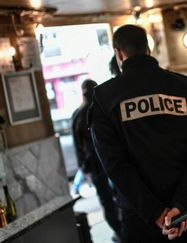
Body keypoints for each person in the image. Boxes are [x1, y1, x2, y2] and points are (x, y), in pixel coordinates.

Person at [89, 25, 187, 242]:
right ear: (148, 49)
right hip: (186, 215)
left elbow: (114, 164)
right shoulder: (186, 89)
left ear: (119, 53)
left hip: (140, 219)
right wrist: (181, 204)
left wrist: (155, 213)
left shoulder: (104, 99)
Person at [72, 79, 123, 242]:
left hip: (95, 165)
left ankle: (120, 232)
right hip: (112, 161)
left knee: (107, 201)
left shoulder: (78, 114)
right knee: (121, 195)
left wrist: (83, 166)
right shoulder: (104, 107)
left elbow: (77, 144)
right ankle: (125, 230)